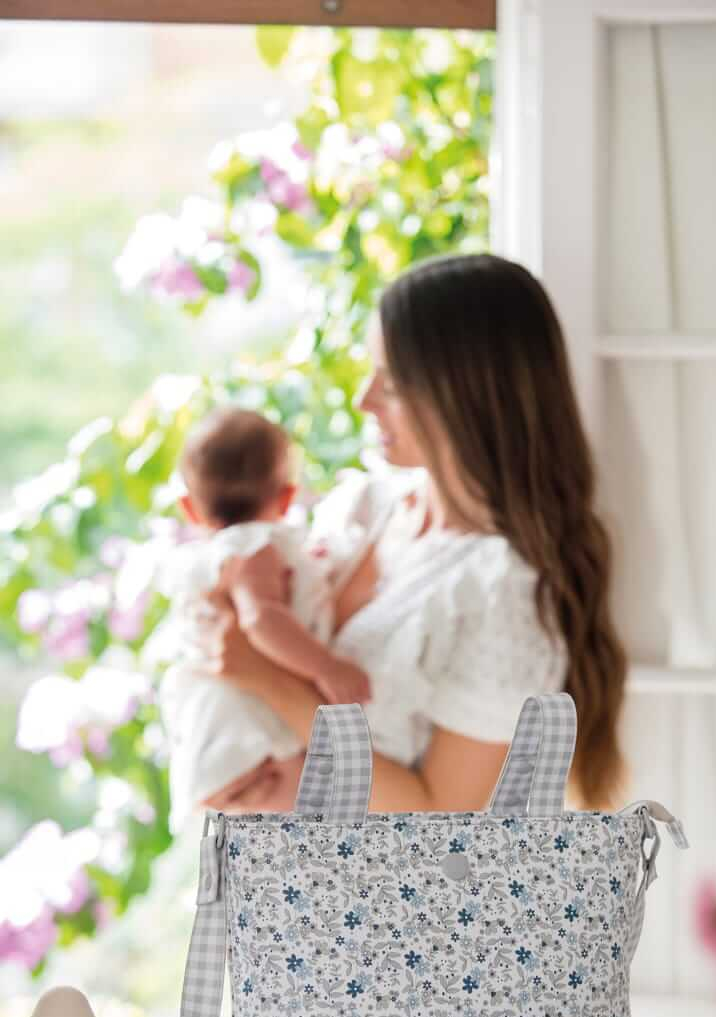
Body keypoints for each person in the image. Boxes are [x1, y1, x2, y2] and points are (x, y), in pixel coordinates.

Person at [203, 253, 627, 814]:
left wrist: (269, 683)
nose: (364, 401)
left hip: (357, 892)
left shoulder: (503, 594)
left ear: (466, 397)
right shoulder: (369, 505)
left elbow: (436, 815)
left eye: (393, 384)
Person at [159, 407, 370, 832]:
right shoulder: (253, 547)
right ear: (287, 497)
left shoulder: (208, 558)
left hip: (215, 727)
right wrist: (326, 668)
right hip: (247, 731)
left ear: (189, 508)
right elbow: (260, 619)